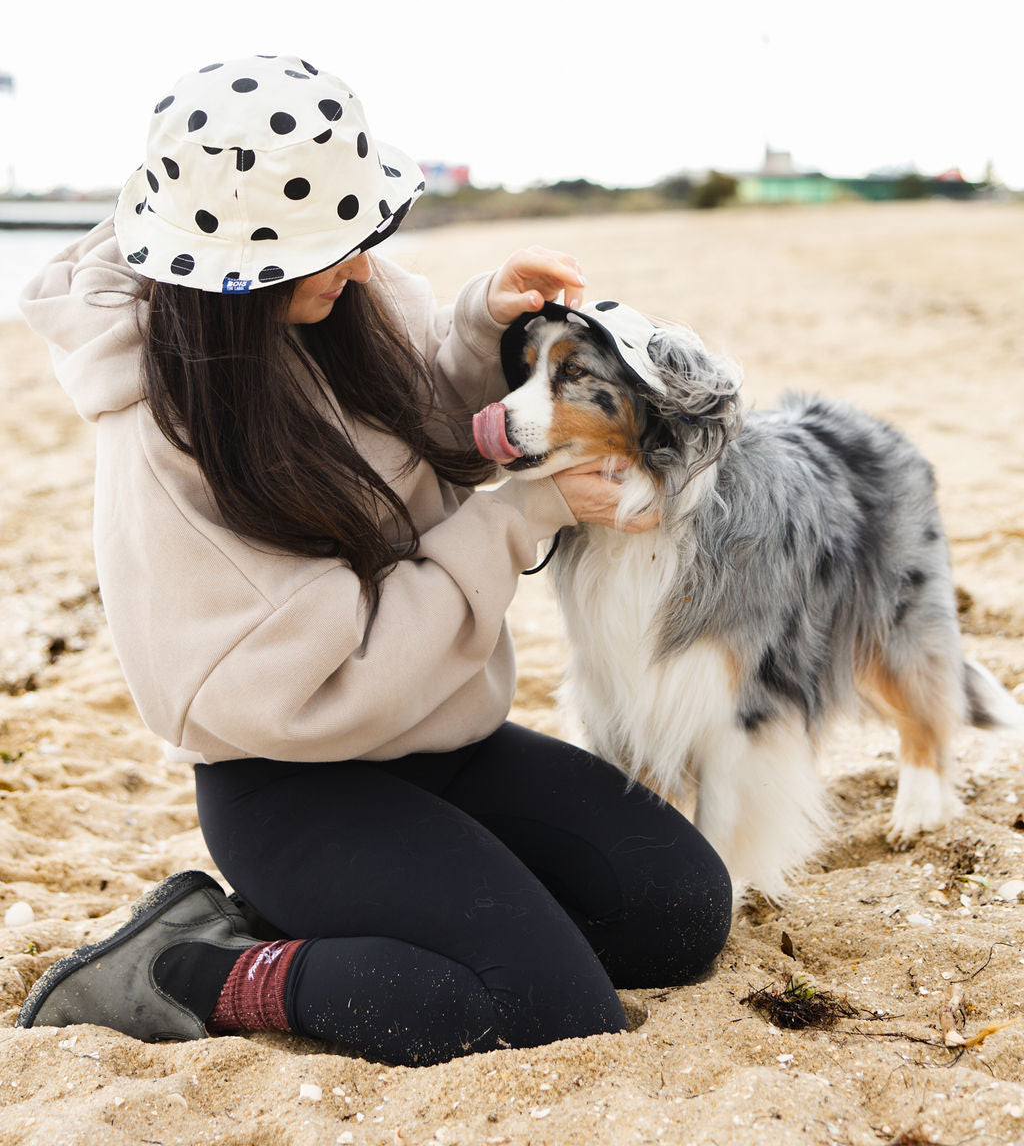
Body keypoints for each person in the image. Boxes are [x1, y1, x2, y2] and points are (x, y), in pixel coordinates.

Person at [17, 53, 731, 1065]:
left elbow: (419, 422)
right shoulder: (172, 437)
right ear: (240, 271)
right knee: (542, 1013)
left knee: (677, 912)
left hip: (442, 735)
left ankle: (389, 917)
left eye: (362, 233)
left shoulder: (343, 293)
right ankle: (188, 966)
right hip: (294, 777)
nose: (358, 266)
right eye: (328, 248)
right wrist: (523, 515)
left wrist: (481, 323)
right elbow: (323, 677)